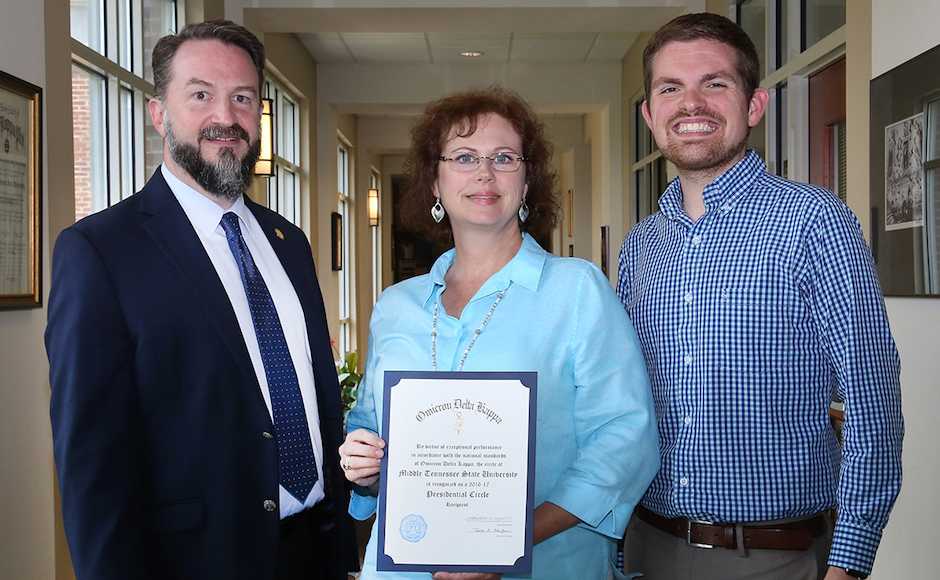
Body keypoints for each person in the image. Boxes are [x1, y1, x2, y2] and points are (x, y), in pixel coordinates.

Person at [46, 20, 356, 580]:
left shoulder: (289, 243)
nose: (225, 117)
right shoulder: (99, 252)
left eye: (242, 98)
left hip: (318, 548)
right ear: (158, 113)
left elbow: (314, 399)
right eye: (200, 95)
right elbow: (92, 465)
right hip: (195, 560)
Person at [617, 12, 903, 580]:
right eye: (670, 88)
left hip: (772, 557)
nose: (691, 103)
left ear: (754, 105)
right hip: (646, 545)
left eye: (715, 83)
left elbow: (874, 404)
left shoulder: (815, 222)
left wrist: (849, 563)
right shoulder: (640, 245)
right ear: (651, 115)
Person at [338, 87, 660, 580]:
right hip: (406, 564)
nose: (484, 173)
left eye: (504, 157)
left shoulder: (576, 290)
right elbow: (368, 423)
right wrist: (363, 459)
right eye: (464, 157)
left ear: (527, 181)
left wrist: (506, 540)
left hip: (547, 562)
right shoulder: (395, 306)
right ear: (435, 181)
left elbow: (624, 439)